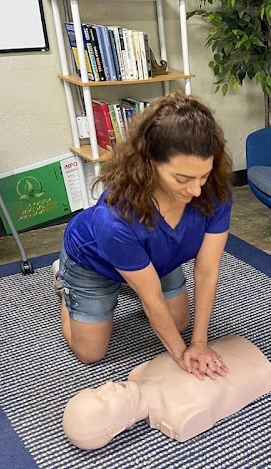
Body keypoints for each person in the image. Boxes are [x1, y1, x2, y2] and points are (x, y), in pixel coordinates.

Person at [55, 91, 232, 378]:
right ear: (149, 162)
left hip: (158, 259)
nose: (197, 190)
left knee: (179, 325)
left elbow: (207, 270)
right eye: (182, 179)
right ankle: (66, 288)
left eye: (203, 175)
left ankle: (132, 279)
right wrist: (181, 355)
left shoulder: (215, 193)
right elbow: (150, 297)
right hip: (92, 263)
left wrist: (198, 343)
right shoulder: (114, 219)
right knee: (90, 353)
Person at [62, 335, 271, 449]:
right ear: (115, 429)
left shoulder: (138, 373)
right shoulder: (179, 419)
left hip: (230, 346)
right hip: (259, 370)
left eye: (97, 389)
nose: (108, 385)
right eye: (104, 401)